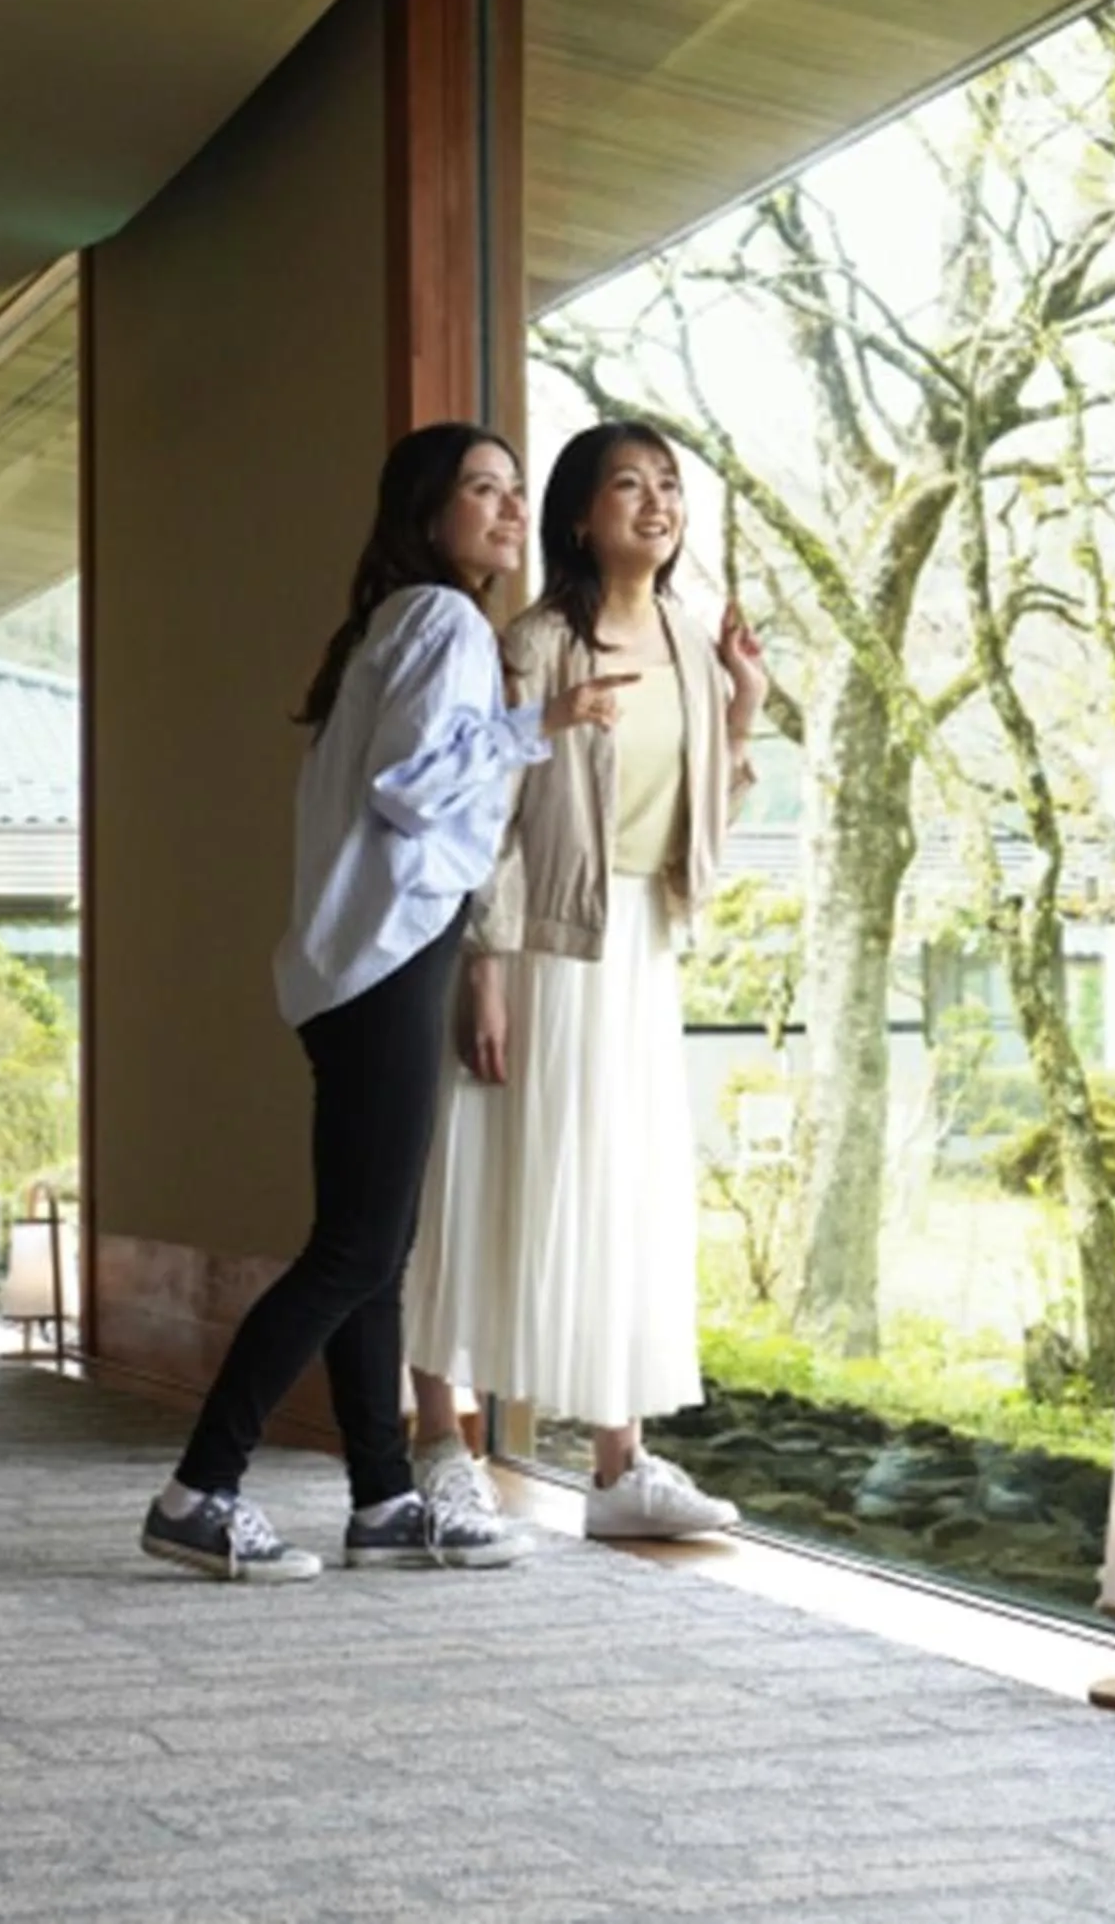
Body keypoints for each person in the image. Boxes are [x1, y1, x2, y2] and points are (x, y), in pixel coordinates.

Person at [140, 422, 633, 1582]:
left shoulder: (400, 622)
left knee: (376, 1246)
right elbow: (413, 789)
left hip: (356, 961)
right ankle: (200, 1489)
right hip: (387, 957)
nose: (512, 510)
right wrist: (543, 725)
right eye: (484, 491)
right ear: (426, 514)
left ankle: (380, 1499)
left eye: (518, 490)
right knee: (357, 1247)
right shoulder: (443, 619)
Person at [404, 420, 768, 1541]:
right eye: (629, 484)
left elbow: (703, 820)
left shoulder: (695, 646)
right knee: (476, 1181)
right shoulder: (537, 642)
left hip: (639, 949)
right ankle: (436, 1441)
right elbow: (491, 823)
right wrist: (486, 973)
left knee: (627, 1192)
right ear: (579, 514)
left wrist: (747, 701)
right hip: (534, 943)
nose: (657, 503)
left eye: (669, 485)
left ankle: (621, 1469)